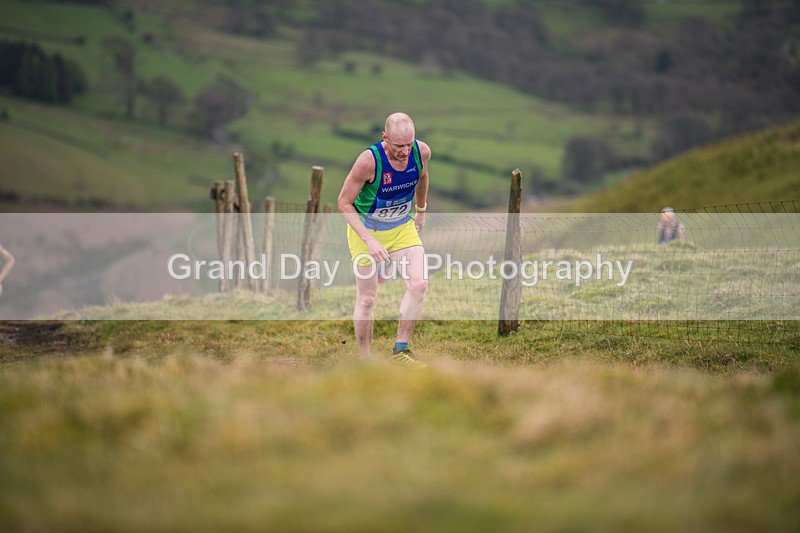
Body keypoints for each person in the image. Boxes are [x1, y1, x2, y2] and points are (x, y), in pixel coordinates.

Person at [338, 112, 431, 367]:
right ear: (385, 138)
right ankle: (365, 362)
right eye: (398, 146)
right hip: (366, 229)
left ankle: (400, 350)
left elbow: (422, 177)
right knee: (367, 299)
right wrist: (369, 240)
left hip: (401, 226)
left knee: (419, 284)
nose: (403, 152)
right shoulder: (368, 162)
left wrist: (420, 211)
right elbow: (344, 203)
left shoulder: (420, 152)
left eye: (408, 145)